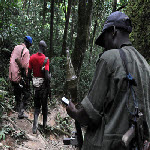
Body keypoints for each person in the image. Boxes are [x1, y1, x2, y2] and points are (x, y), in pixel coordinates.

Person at [66, 11, 150, 150]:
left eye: (105, 40)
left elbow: (89, 115)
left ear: (113, 31)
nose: (105, 47)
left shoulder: (109, 58)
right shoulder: (145, 66)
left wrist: (74, 112)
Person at [28, 40, 50, 134]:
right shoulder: (45, 59)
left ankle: (34, 127)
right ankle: (44, 125)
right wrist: (49, 78)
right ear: (44, 48)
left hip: (35, 86)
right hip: (43, 88)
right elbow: (46, 76)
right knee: (44, 107)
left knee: (37, 107)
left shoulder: (32, 57)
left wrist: (32, 82)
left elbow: (29, 73)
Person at [9, 36, 32, 119]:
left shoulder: (16, 47)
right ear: (29, 43)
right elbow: (25, 66)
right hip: (18, 76)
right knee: (27, 93)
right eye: (30, 44)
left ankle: (17, 107)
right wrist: (27, 79)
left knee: (17, 91)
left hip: (11, 74)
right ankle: (21, 112)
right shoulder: (26, 51)